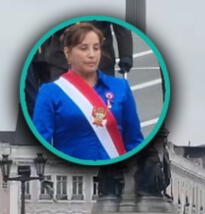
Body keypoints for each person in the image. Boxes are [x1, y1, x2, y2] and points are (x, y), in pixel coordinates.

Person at [32, 22, 143, 161]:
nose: (91, 55)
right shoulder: (50, 92)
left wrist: (126, 53)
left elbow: (134, 140)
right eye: (84, 49)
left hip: (113, 172)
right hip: (58, 56)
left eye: (96, 49)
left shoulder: (120, 88)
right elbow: (42, 140)